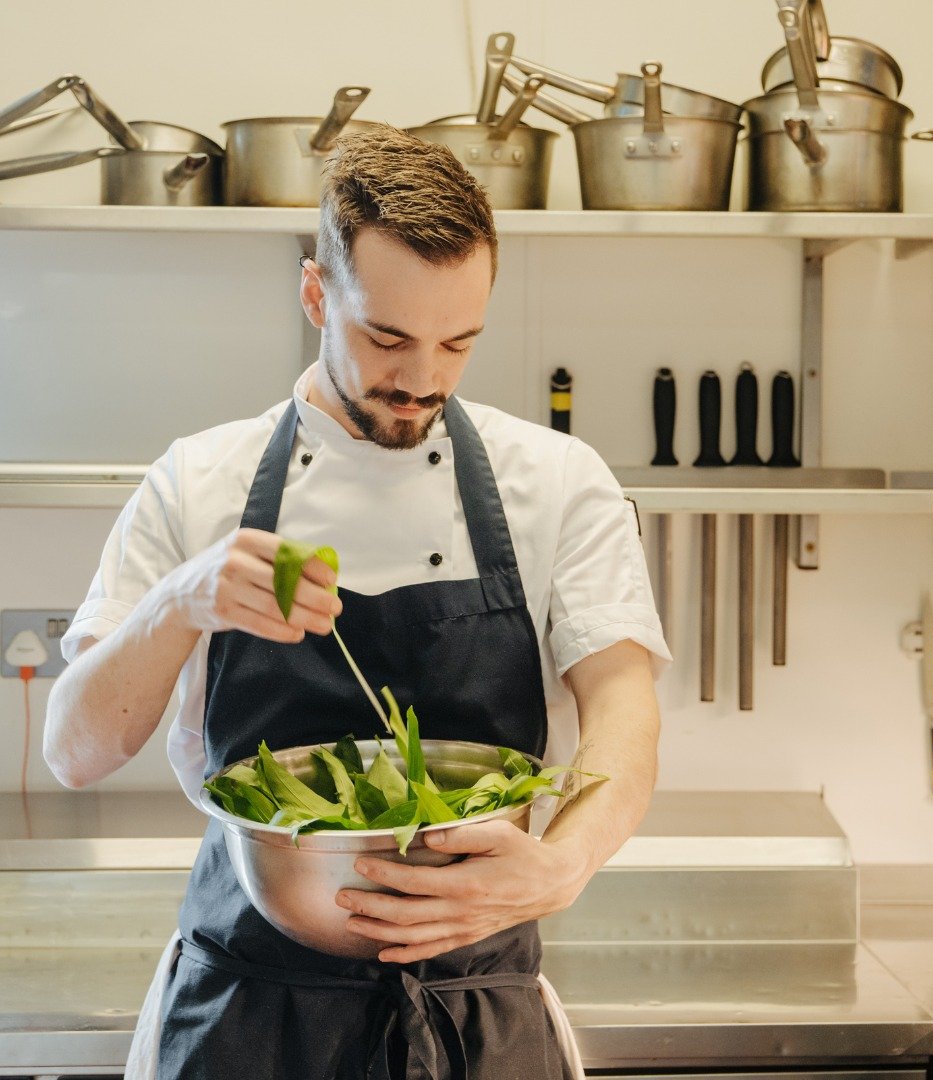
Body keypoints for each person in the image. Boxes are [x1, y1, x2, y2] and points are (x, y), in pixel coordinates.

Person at [45, 124, 670, 1080]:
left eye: (458, 342)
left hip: (479, 1011)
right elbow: (75, 751)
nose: (422, 379)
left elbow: (624, 707)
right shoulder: (197, 482)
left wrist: (567, 863)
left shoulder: (555, 481)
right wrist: (180, 602)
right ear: (314, 295)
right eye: (387, 337)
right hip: (246, 1015)